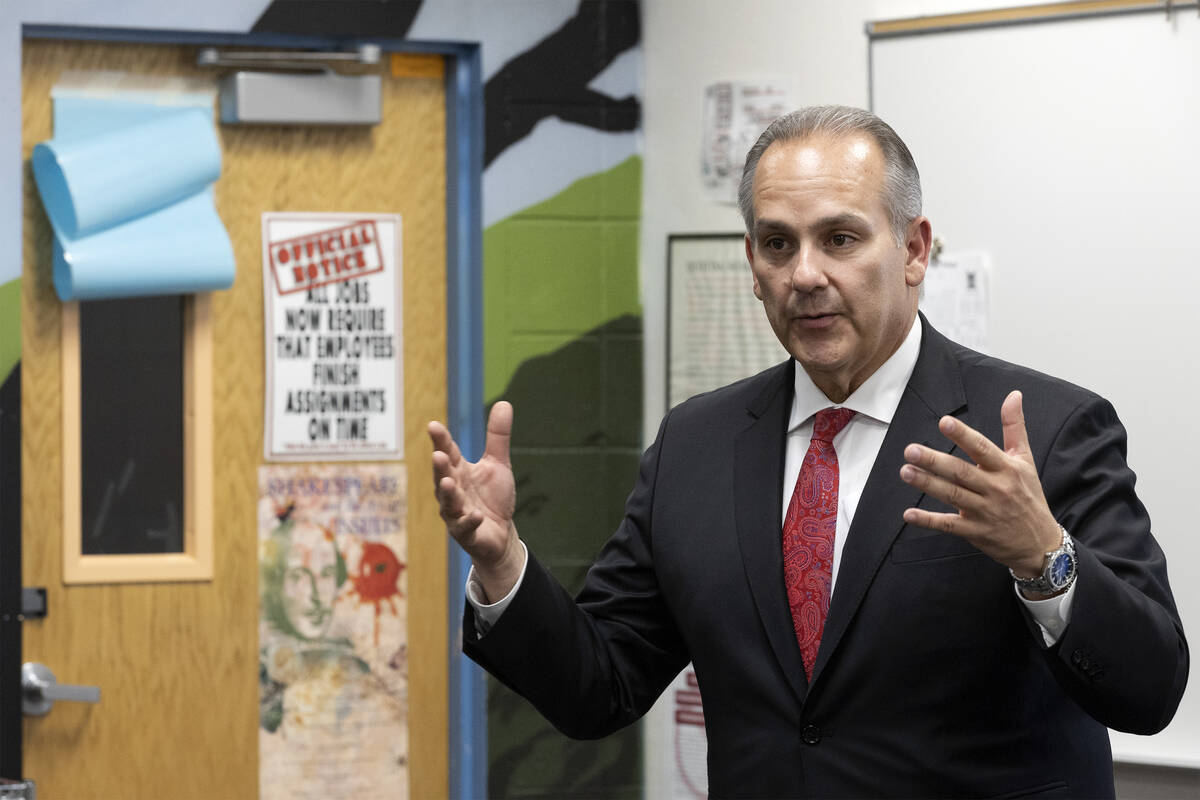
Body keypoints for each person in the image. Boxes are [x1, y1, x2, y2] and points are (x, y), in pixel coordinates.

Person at [428, 106, 1188, 798]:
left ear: (914, 249)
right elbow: (599, 689)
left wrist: (1044, 557)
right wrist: (502, 567)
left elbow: (1148, 691)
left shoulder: (1044, 432)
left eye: (841, 238)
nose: (806, 275)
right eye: (777, 244)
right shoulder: (697, 444)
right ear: (753, 264)